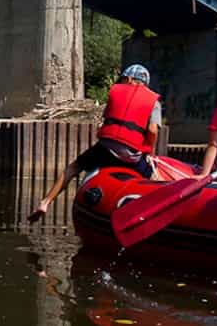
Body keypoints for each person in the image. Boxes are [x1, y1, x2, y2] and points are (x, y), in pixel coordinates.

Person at [28, 64, 162, 220]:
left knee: (73, 168)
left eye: (124, 79)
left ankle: (44, 203)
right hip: (131, 156)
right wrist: (148, 150)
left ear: (130, 79)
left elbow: (106, 121)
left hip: (106, 150)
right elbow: (152, 130)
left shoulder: (116, 92)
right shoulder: (154, 102)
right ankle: (159, 213)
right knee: (157, 180)